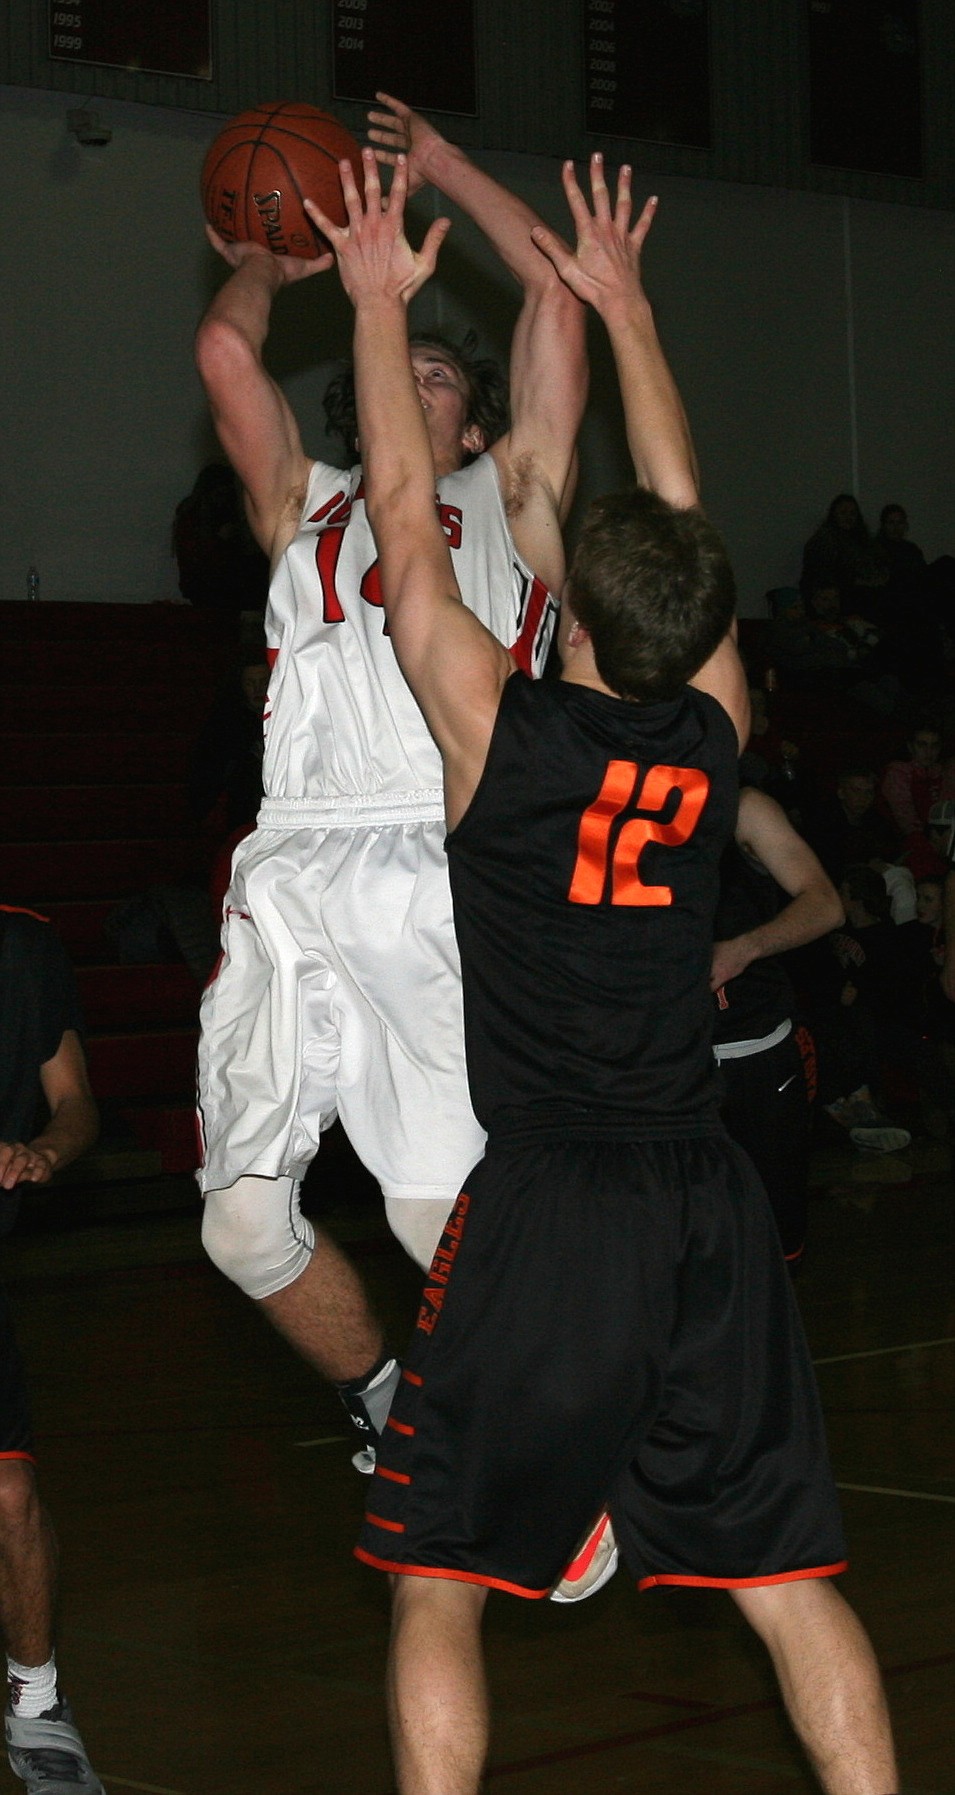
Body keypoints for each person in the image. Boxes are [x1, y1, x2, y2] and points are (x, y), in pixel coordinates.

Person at [316, 147, 898, 1795]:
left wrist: (374, 304)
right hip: (702, 1195)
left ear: (569, 621)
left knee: (440, 1582)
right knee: (791, 1588)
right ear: (699, 634)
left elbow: (411, 533)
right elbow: (687, 516)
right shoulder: (716, 734)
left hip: (554, 1205)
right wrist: (633, 313)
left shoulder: (494, 737)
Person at [193, 95, 586, 1447]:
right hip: (297, 852)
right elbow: (223, 354)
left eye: (438, 373)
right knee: (241, 1223)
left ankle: (573, 1435)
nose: (412, 375)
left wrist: (443, 168)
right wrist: (271, 259)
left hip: (444, 851)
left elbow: (551, 283)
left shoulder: (512, 495)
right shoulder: (299, 499)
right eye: (394, 364)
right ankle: (380, 1400)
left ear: (476, 431)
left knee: (433, 1210)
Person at [0, 905, 102, 1795]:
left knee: (11, 1489)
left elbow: (74, 1103)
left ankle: (37, 1704)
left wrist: (44, 1148)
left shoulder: (25, 947)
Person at [711, 787, 843, 1266]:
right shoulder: (618, 802)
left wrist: (744, 948)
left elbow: (826, 905)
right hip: (668, 1060)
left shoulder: (742, 806)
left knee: (778, 1233)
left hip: (757, 1053)